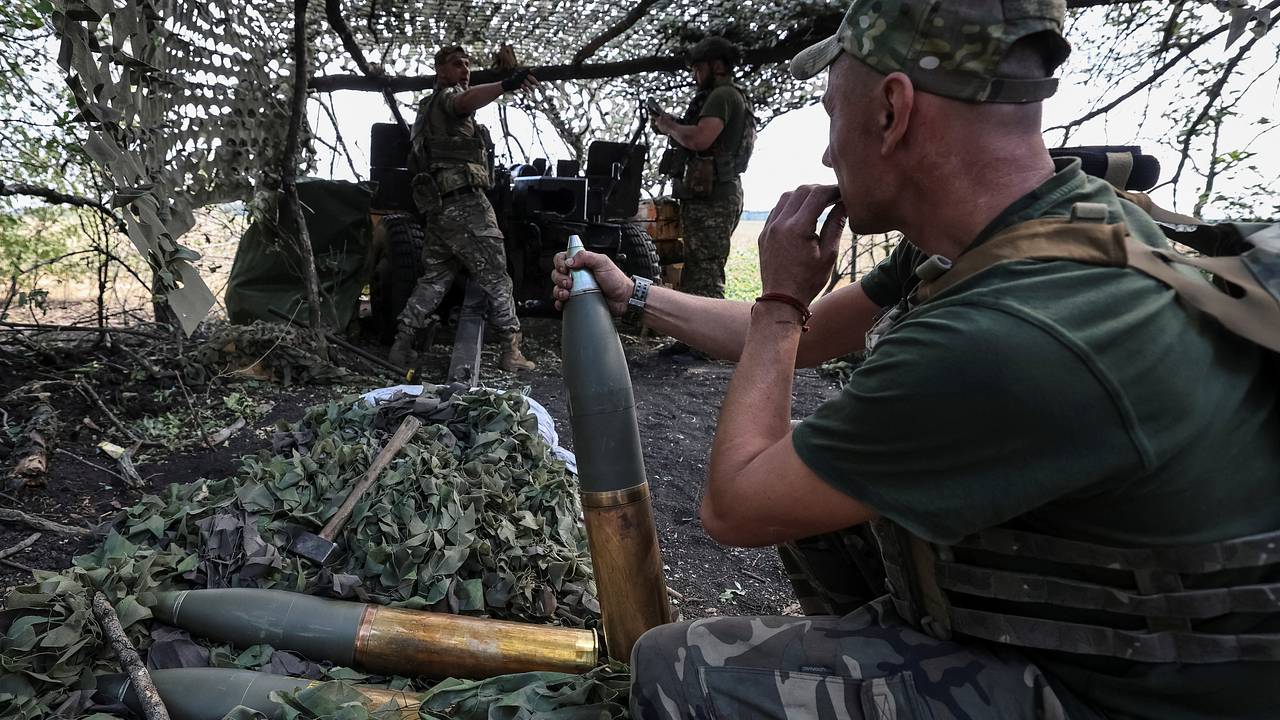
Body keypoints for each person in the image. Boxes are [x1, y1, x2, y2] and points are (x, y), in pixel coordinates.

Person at [551, 0, 1280, 717]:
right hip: (1111, 635)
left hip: (1138, 692)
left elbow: (738, 506)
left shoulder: (1013, 330)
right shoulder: (1050, 222)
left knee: (678, 668)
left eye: (833, 115)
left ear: (892, 111)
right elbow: (817, 335)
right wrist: (636, 296)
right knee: (833, 495)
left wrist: (778, 305)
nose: (829, 153)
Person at [389, 45, 537, 372]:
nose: (465, 70)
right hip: (466, 204)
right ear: (440, 70)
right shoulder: (446, 99)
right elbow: (463, 102)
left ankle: (401, 344)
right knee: (496, 274)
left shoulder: (426, 111)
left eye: (468, 64)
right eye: (458, 64)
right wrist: (505, 85)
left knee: (435, 278)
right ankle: (511, 351)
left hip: (439, 209)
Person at [651, 36, 755, 299]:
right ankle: (690, 341)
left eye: (699, 68)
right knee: (698, 271)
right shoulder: (729, 94)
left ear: (717, 66)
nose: (695, 75)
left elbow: (700, 139)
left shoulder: (722, 95)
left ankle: (707, 340)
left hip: (713, 199)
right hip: (712, 195)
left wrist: (668, 126)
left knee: (706, 277)